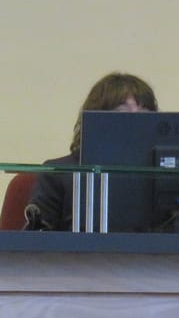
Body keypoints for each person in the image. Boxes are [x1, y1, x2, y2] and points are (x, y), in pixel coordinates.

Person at [27, 72, 158, 231]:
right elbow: (34, 240)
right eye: (122, 113)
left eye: (144, 114)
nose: (135, 123)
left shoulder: (159, 175)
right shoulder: (58, 174)